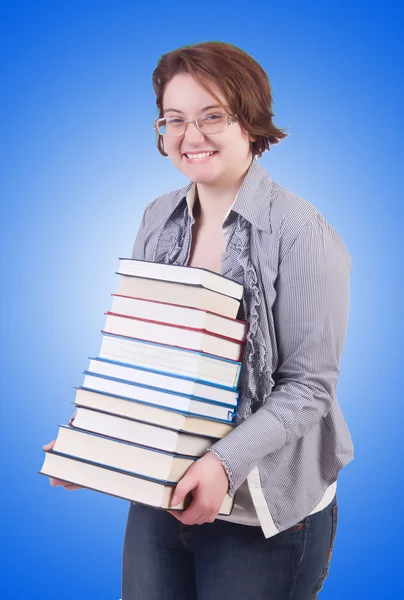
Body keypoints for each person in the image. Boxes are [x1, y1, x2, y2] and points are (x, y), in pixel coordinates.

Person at [45, 41, 354, 599]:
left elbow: (309, 389)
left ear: (251, 120)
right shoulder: (157, 216)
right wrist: (96, 444)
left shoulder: (301, 233)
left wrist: (222, 462)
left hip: (263, 509)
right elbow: (142, 349)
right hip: (160, 492)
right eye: (175, 119)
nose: (191, 136)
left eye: (213, 116)